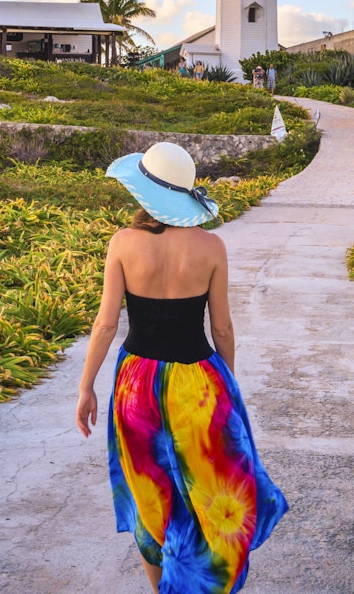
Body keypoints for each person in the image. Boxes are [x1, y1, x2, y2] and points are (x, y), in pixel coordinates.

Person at [80, 142, 288, 593]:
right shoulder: (211, 246)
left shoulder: (123, 243)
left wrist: (86, 387)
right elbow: (224, 329)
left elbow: (105, 323)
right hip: (198, 383)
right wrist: (227, 384)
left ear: (143, 194)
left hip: (137, 384)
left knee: (150, 494)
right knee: (211, 493)